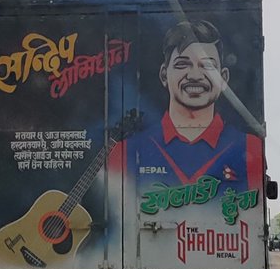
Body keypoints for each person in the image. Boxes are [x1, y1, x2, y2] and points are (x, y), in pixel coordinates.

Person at [110, 19, 263, 193]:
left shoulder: (250, 147)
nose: (195, 75)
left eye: (207, 66)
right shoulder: (123, 153)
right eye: (182, 64)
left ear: (224, 78)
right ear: (164, 75)